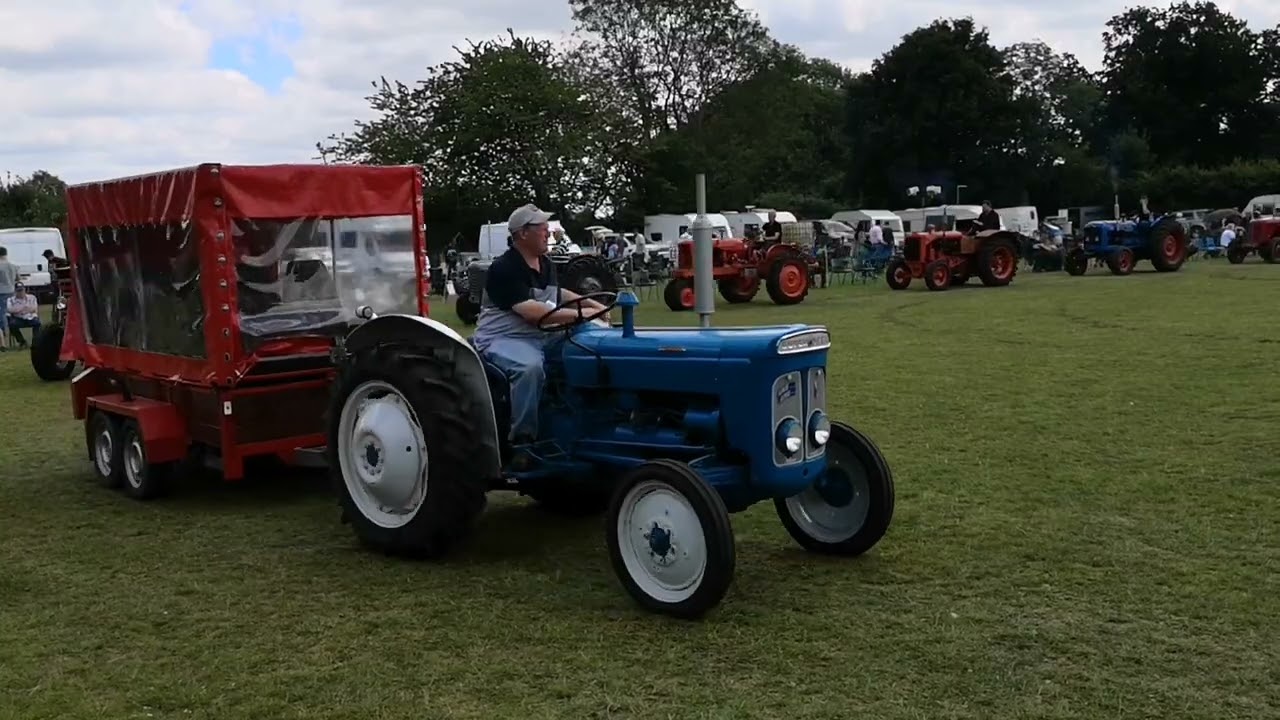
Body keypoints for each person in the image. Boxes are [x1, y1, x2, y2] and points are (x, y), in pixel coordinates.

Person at [472, 203, 613, 445]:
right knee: (530, 369)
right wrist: (584, 313)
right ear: (523, 233)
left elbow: (557, 294)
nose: (549, 232)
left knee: (595, 343)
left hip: (542, 334)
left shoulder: (544, 263)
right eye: (543, 228)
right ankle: (523, 440)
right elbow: (533, 312)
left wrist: (595, 305)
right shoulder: (504, 268)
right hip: (505, 338)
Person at [6, 282, 40, 347]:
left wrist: (19, 309)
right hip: (18, 318)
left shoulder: (32, 297)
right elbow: (10, 309)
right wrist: (23, 308)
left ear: (24, 289)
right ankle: (22, 341)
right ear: (15, 291)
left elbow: (34, 308)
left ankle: (36, 342)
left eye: (21, 290)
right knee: (12, 325)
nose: (20, 292)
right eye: (18, 291)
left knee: (37, 323)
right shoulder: (10, 300)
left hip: (30, 317)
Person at [0, 246, 17, 350]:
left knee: (2, 314)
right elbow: (18, 278)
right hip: (11, 290)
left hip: (1, 291)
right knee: (9, 312)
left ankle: (3, 335)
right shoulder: (13, 265)